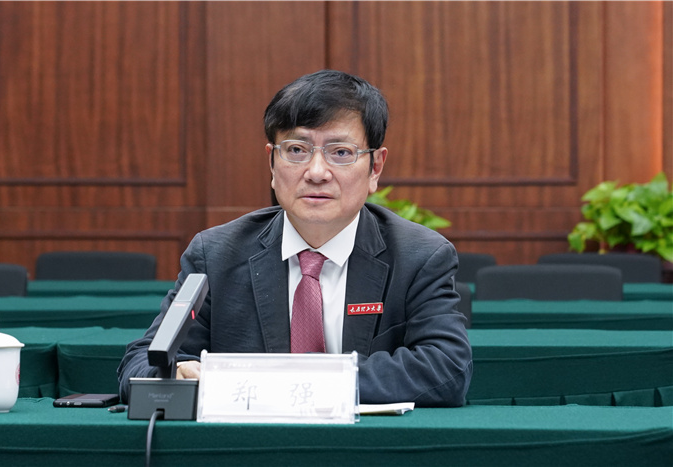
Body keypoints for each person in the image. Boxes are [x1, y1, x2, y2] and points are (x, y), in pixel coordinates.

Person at [118, 70, 472, 407]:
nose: (316, 172)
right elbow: (142, 362)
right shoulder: (216, 254)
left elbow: (446, 368)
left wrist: (288, 382)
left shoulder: (418, 256)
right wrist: (175, 372)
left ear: (375, 168)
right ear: (272, 163)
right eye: (297, 150)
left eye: (341, 153)